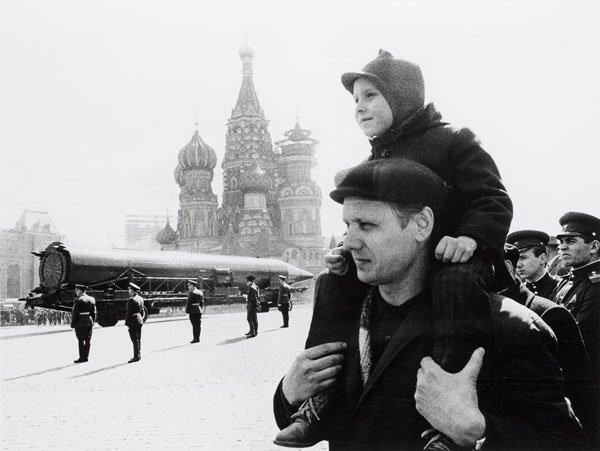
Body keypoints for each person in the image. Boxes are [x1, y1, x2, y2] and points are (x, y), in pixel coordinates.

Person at [275, 49, 513, 447]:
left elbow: (492, 199)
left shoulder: (453, 141)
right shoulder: (379, 152)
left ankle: (444, 421)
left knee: (453, 285)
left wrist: (469, 238)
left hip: (456, 259)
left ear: (401, 97)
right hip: (403, 265)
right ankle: (318, 399)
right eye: (355, 101)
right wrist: (350, 247)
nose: (360, 108)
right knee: (331, 282)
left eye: (370, 96)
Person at [273, 159, 585, 450]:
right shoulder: (345, 313)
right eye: (347, 226)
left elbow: (569, 442)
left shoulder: (508, 328)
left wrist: (478, 431)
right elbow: (326, 421)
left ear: (422, 224)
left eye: (367, 226)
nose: (349, 242)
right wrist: (289, 393)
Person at [551, 211, 600, 446]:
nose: (562, 247)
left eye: (571, 241)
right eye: (560, 241)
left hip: (588, 388)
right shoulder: (567, 281)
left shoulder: (596, 286)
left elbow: (579, 338)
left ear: (594, 246)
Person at [506, 229, 559, 299]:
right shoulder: (517, 292)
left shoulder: (559, 288)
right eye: (516, 259)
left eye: (523, 258)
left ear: (543, 258)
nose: (518, 265)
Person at [70, 284, 96, 363]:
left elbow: (75, 313)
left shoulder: (78, 300)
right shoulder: (92, 299)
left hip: (80, 322)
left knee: (80, 340)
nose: (76, 291)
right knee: (88, 340)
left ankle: (82, 357)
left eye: (76, 290)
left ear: (80, 290)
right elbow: (94, 313)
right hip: (89, 322)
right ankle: (86, 357)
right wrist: (93, 321)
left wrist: (73, 324)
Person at [125, 282, 144, 363]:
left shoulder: (131, 300)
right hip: (139, 319)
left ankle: (136, 356)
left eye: (129, 289)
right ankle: (138, 354)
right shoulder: (140, 298)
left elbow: (128, 313)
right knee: (138, 338)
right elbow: (142, 311)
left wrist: (127, 323)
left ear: (132, 290)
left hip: (133, 321)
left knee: (134, 339)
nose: (128, 291)